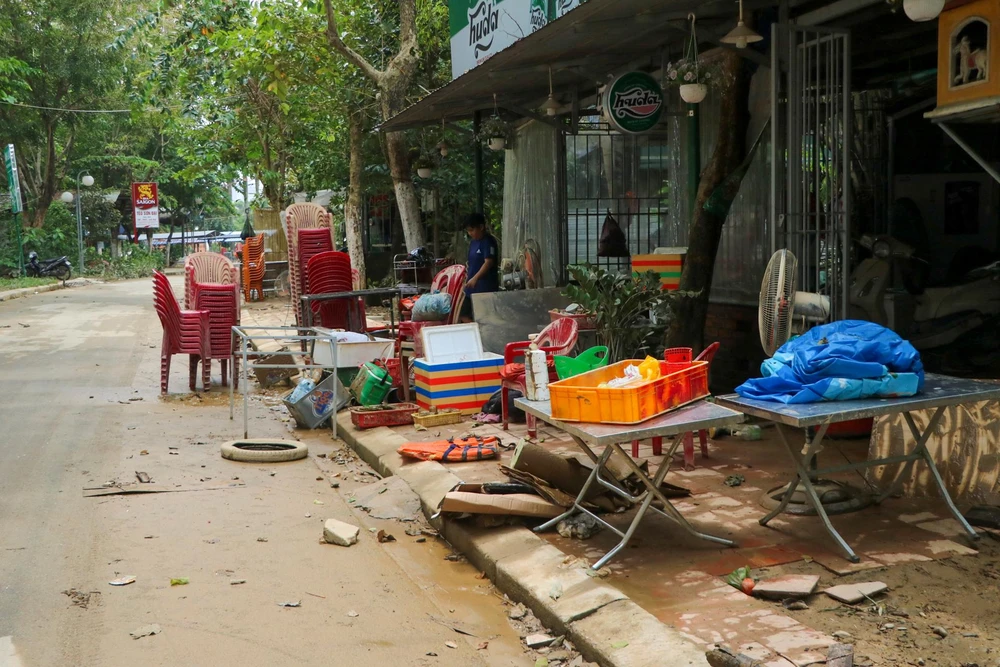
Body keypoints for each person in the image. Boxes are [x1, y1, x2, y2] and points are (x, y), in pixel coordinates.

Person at [460, 212, 499, 322]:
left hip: (485, 287)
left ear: (481, 227)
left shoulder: (488, 242)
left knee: (483, 318)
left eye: (472, 230)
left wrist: (476, 278)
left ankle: (481, 335)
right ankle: (476, 333)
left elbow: (488, 262)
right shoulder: (473, 243)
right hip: (471, 287)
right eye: (468, 230)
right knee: (463, 314)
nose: (470, 233)